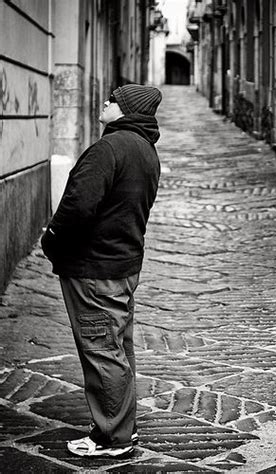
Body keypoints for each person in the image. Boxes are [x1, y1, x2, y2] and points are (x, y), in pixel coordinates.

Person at [41, 84, 162, 457]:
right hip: (122, 264)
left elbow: (77, 207)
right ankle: (121, 427)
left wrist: (52, 239)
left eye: (113, 99)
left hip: (95, 268)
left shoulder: (108, 149)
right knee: (116, 347)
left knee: (101, 349)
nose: (105, 102)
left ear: (125, 110)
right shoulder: (146, 151)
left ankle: (112, 437)